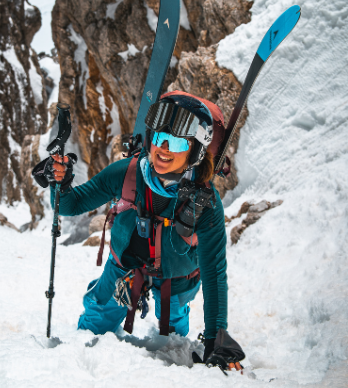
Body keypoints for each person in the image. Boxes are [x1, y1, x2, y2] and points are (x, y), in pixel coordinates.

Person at [33, 91, 245, 372]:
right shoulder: (127, 173)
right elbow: (71, 204)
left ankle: (177, 321)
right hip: (124, 269)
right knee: (91, 327)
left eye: (178, 141)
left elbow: (214, 271)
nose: (164, 148)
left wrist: (216, 336)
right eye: (158, 137)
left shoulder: (205, 202)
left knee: (175, 333)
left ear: (195, 149)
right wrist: (60, 181)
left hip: (177, 279)